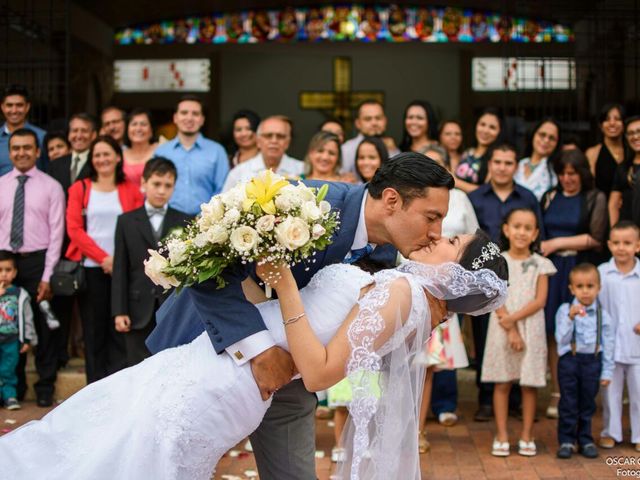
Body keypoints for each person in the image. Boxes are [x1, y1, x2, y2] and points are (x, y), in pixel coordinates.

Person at [0, 231, 508, 480]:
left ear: (459, 276)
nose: (439, 235)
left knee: (132, 448)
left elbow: (318, 371)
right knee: (117, 435)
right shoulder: (409, 295)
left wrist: (285, 285)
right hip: (215, 360)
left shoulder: (404, 295)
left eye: (452, 241)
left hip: (232, 379)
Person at [147, 153, 453, 480]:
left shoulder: (385, 253)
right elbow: (205, 269)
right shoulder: (301, 203)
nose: (437, 231)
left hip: (290, 384)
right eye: (432, 217)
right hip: (207, 347)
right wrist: (260, 352)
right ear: (391, 200)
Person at [468, 144, 542, 421]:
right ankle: (486, 398)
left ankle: (516, 399)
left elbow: (539, 235)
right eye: (497, 161)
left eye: (508, 162)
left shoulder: (528, 197)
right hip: (483, 278)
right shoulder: (475, 198)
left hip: (520, 275)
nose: (502, 166)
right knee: (486, 335)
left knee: (519, 330)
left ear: (515, 166)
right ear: (490, 164)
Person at [66, 135, 144, 383]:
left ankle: (117, 385)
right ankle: (95, 387)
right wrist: (105, 259)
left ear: (118, 157)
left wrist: (118, 262)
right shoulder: (80, 188)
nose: (102, 159)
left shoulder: (130, 189)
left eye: (106, 154)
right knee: (94, 330)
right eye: (97, 155)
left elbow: (136, 226)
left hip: (124, 271)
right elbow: (75, 230)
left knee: (120, 329)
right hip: (93, 269)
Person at [482, 208, 556, 457]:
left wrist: (513, 320)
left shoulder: (541, 264)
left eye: (528, 228)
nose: (521, 232)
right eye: (517, 226)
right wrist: (509, 325)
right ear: (506, 229)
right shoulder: (497, 261)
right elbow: (494, 295)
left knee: (529, 384)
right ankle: (501, 434)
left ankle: (527, 434)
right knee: (502, 382)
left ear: (535, 233)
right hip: (501, 323)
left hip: (529, 326)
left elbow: (540, 300)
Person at [418, 144, 478, 450]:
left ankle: (424, 424)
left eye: (437, 165)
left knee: (432, 360)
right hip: (411, 278)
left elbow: (472, 243)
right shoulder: (409, 197)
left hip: (443, 289)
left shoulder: (460, 199)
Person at [0, 128, 65, 406]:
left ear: (38, 152)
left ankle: (45, 385)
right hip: (6, 262)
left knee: (43, 325)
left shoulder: (52, 186)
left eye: (27, 147)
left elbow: (57, 233)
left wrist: (48, 274)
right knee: (8, 326)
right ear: (9, 151)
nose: (21, 152)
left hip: (39, 261)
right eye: (16, 148)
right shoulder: (1, 185)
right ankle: (12, 388)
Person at [541, 149, 608, 419]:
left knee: (582, 326)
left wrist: (557, 243)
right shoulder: (549, 197)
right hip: (552, 272)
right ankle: (558, 392)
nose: (567, 178)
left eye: (573, 173)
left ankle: (585, 390)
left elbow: (597, 236)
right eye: (563, 173)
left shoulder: (594, 197)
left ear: (582, 173)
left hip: (578, 272)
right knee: (555, 331)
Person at [112, 158, 191, 367]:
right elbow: (120, 268)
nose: (161, 190)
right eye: (156, 184)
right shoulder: (126, 221)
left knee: (170, 364)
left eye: (168, 185)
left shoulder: (184, 220)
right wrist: (120, 311)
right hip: (137, 307)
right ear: (144, 183)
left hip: (172, 307)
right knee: (136, 366)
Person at [555, 263, 614, 459]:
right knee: (569, 402)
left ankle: (585, 439)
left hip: (592, 362)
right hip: (569, 362)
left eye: (590, 286)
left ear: (599, 287)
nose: (585, 291)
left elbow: (609, 344)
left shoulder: (603, 315)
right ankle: (567, 440)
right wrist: (570, 319)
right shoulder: (564, 310)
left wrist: (607, 371)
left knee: (587, 402)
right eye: (580, 287)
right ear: (572, 289)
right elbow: (560, 340)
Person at [597, 222, 640, 451]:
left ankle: (639, 434)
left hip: (637, 346)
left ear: (638, 245)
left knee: (639, 393)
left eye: (627, 243)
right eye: (616, 243)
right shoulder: (602, 273)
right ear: (609, 245)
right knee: (611, 392)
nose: (621, 248)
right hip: (610, 345)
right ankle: (610, 431)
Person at [154, 95, 229, 215]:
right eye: (184, 113)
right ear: (175, 118)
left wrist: (206, 216)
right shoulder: (161, 152)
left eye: (195, 114)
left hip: (206, 224)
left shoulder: (217, 151)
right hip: (167, 222)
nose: (189, 118)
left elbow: (223, 191)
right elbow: (154, 189)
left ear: (202, 119)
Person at [223, 115, 303, 191]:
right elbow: (222, 204)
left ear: (288, 142)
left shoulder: (303, 170)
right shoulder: (238, 173)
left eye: (280, 136)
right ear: (258, 141)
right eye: (268, 136)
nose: (274, 141)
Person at [0, 251, 37, 410]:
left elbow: (27, 317)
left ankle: (9, 396)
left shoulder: (20, 294)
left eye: (8, 270)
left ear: (14, 272)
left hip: (11, 340)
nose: (4, 275)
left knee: (8, 369)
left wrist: (27, 338)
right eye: (0, 270)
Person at [0, 85, 47, 176]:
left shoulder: (42, 137)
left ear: (27, 107)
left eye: (19, 105)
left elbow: (48, 170)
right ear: (2, 107)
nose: (14, 110)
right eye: (9, 105)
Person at [341, 100, 398, 174]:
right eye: (368, 119)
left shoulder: (393, 148)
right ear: (358, 123)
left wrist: (394, 151)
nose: (374, 123)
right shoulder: (347, 149)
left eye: (378, 118)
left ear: (385, 121)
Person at [455, 108, 504, 194]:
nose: (485, 131)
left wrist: (455, 182)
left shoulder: (498, 158)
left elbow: (487, 192)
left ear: (500, 132)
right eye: (482, 124)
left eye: (492, 127)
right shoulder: (467, 152)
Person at [515, 118, 562, 201]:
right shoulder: (517, 164)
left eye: (552, 138)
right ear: (533, 134)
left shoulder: (557, 171)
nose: (546, 140)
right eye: (542, 135)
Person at [48, 113, 97, 192]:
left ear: (93, 135)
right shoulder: (55, 165)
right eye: (75, 131)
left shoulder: (98, 163)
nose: (79, 136)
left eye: (84, 131)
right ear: (69, 135)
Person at [586, 103, 626, 197]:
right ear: (601, 125)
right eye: (607, 119)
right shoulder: (592, 153)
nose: (612, 123)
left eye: (617, 119)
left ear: (624, 124)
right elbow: (588, 187)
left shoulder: (631, 151)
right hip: (602, 207)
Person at [609, 116, 640, 227]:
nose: (635, 136)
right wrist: (614, 232)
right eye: (630, 133)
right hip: (628, 233)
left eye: (639, 131)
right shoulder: (623, 168)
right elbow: (614, 203)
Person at [122, 108, 158, 186]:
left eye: (143, 124)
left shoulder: (161, 152)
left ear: (151, 130)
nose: (138, 129)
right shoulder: (119, 155)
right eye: (134, 124)